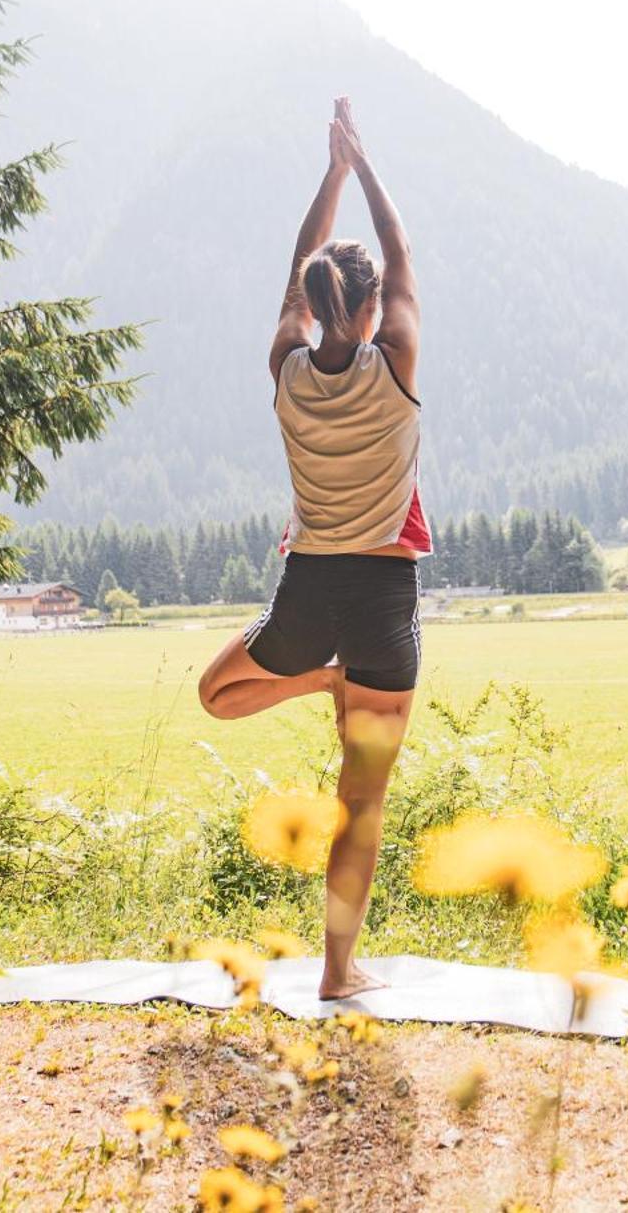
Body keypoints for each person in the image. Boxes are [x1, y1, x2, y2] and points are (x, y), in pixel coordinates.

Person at [197, 97, 425, 1000]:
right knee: (360, 798)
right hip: (381, 603)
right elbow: (402, 258)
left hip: (307, 592)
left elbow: (296, 282)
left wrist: (326, 178)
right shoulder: (399, 359)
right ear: (370, 309)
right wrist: (363, 168)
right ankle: (338, 972)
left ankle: (317, 676)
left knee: (218, 695)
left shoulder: (286, 371)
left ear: (316, 307)